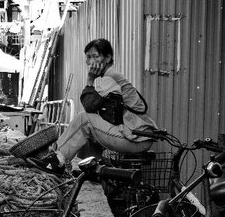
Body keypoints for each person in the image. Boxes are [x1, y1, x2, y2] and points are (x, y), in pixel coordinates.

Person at [29, 38, 157, 175]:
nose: (89, 62)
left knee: (85, 120)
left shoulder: (110, 77)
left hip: (135, 138)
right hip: (132, 135)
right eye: (88, 57)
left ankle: (57, 161)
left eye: (95, 56)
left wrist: (90, 79)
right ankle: (89, 171)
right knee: (87, 132)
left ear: (107, 58)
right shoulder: (106, 78)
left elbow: (89, 106)